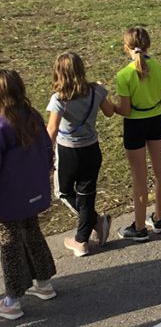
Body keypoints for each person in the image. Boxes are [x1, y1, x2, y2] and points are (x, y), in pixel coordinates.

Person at [0, 70, 58, 321]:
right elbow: (47, 148)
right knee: (32, 231)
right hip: (32, 191)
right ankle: (44, 281)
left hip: (8, 197)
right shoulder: (31, 116)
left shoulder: (2, 125)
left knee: (9, 242)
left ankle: (12, 300)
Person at [45, 53, 116, 257]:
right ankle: (91, 227)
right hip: (92, 149)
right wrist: (102, 92)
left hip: (68, 152)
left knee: (63, 192)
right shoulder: (96, 91)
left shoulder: (59, 99)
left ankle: (82, 238)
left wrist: (46, 154)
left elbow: (52, 129)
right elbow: (110, 112)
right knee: (87, 194)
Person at [114, 27, 161, 242]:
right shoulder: (159, 68)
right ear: (149, 45)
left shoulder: (124, 75)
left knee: (139, 177)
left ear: (125, 47)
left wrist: (112, 107)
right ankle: (158, 217)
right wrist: (157, 112)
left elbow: (126, 110)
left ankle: (138, 226)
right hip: (155, 121)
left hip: (134, 126)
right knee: (160, 171)